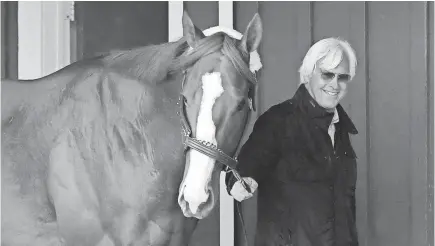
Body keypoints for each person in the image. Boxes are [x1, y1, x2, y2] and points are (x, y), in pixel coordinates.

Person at [226, 37, 359, 246]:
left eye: (342, 77)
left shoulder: (341, 129)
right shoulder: (278, 121)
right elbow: (246, 166)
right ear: (308, 75)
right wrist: (241, 182)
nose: (334, 84)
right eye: (327, 74)